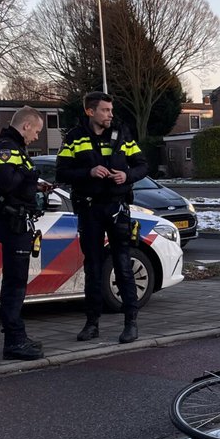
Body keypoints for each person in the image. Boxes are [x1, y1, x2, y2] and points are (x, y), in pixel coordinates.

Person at [56, 91, 148, 343]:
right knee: (93, 267)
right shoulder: (75, 138)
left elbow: (142, 165)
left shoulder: (122, 133)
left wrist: (127, 176)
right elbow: (61, 171)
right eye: (105, 110)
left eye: (111, 110)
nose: (110, 115)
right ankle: (92, 323)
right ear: (90, 111)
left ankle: (131, 323)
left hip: (117, 207)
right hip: (89, 209)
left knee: (123, 265)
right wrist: (89, 171)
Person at [0, 106, 46, 361]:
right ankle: (14, 341)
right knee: (14, 284)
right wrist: (31, 176)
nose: (36, 137)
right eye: (37, 131)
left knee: (16, 283)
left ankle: (17, 336)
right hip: (13, 223)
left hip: (15, 221)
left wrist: (36, 184)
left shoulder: (11, 148)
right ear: (26, 126)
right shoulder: (6, 149)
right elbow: (7, 183)